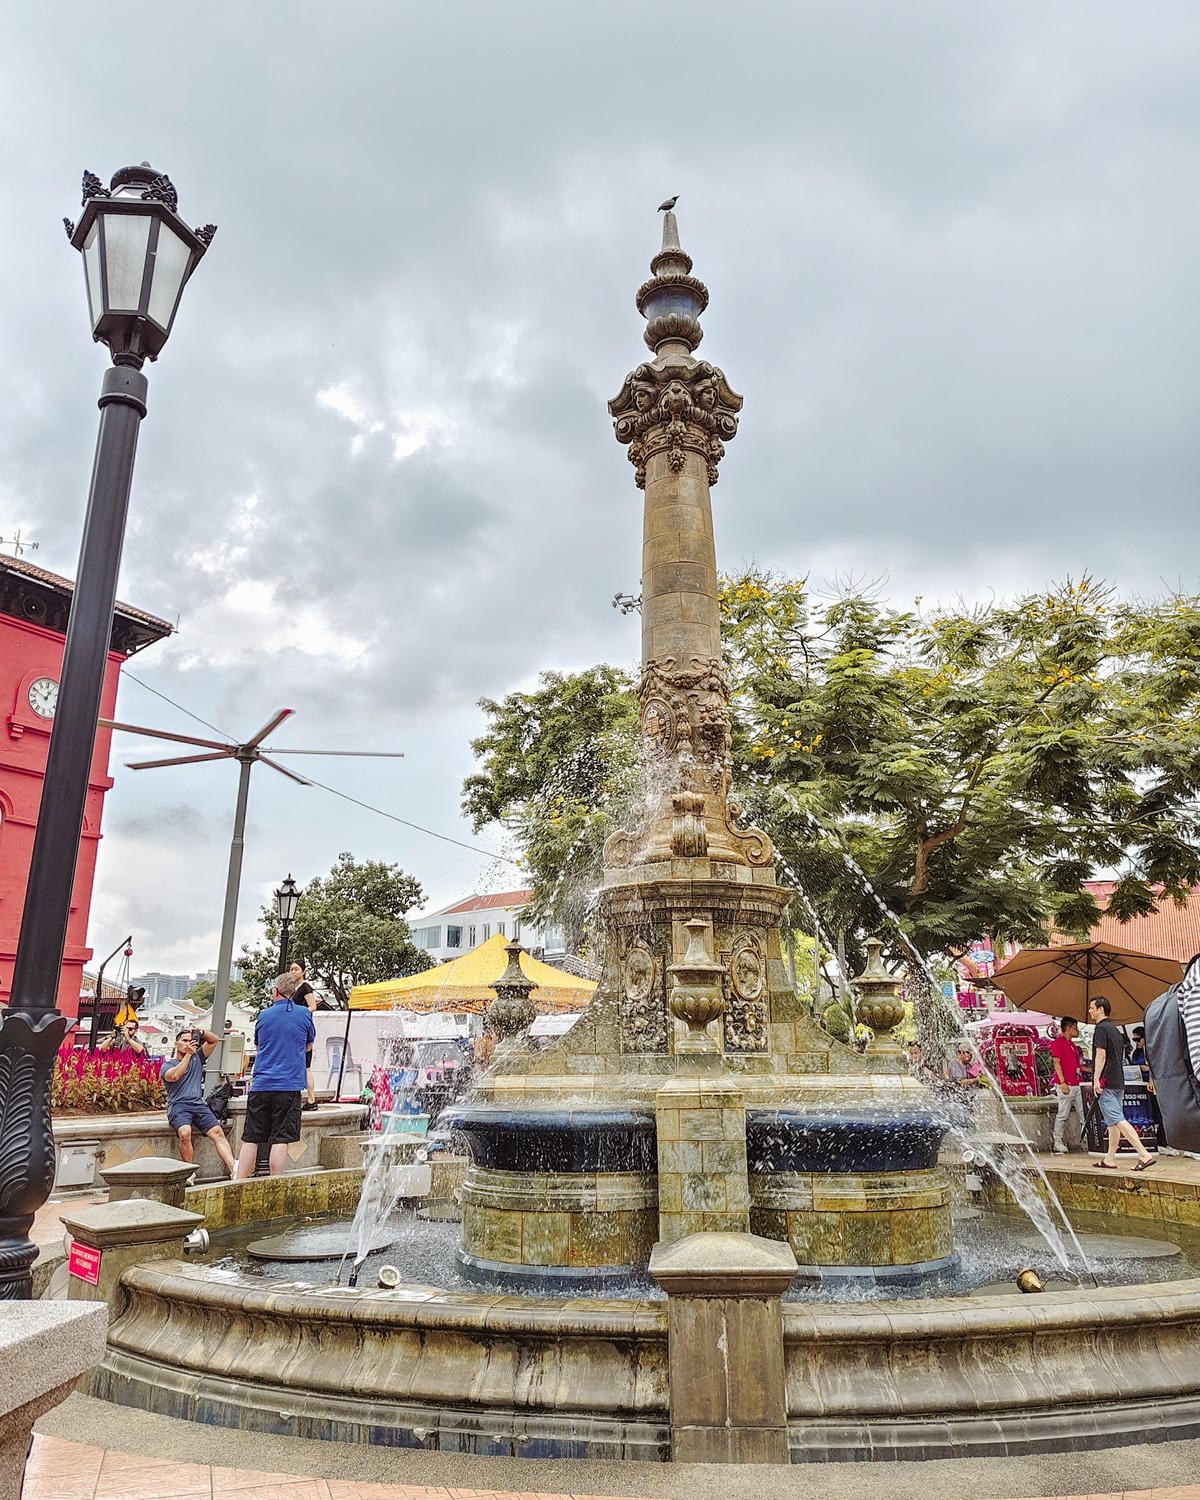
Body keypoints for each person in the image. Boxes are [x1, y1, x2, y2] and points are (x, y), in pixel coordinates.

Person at [235, 972, 315, 1179]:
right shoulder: (304, 1014)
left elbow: (259, 1045)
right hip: (289, 1086)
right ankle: (275, 1182)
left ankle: (238, 1182)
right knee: (281, 1139)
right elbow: (309, 1045)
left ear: (275, 991)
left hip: (261, 1084)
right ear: (293, 992)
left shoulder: (264, 1015)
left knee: (251, 1137)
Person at [1089, 995, 1157, 1170]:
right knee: (1113, 1121)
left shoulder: (1101, 1030)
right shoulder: (1115, 1030)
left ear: (1100, 1009)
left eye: (1092, 1008)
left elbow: (1101, 1055)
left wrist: (1096, 1079)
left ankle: (1144, 1154)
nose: (1090, 1012)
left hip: (1106, 1081)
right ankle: (1110, 1158)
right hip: (1118, 1080)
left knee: (1118, 1119)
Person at [162, 1027, 236, 1175]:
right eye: (184, 1041)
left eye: (191, 1041)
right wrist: (188, 1055)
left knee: (217, 1132)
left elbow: (214, 1040)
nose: (188, 1043)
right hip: (178, 1106)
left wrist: (202, 1032)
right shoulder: (168, 1065)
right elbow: (175, 1076)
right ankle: (189, 1172)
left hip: (197, 1104)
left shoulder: (198, 1057)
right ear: (176, 1043)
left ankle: (233, 1168)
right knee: (185, 1132)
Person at [1049, 1017, 1085, 1153]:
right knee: (1063, 1114)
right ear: (1069, 1028)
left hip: (1077, 1083)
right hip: (1066, 1085)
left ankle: (1085, 1139)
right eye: (1075, 1027)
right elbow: (1056, 1063)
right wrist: (1063, 1082)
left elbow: (1077, 1066)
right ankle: (1057, 1140)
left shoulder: (1073, 1046)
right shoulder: (1058, 1043)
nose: (1077, 1031)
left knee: (1083, 1114)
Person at [290, 959, 320, 1111]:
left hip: (303, 1027)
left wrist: (298, 1013)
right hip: (294, 1028)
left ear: (303, 971)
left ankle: (311, 1099)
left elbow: (313, 1007)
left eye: (296, 969)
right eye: (291, 969)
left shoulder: (305, 987)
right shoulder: (291, 988)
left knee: (306, 1066)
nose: (293, 972)